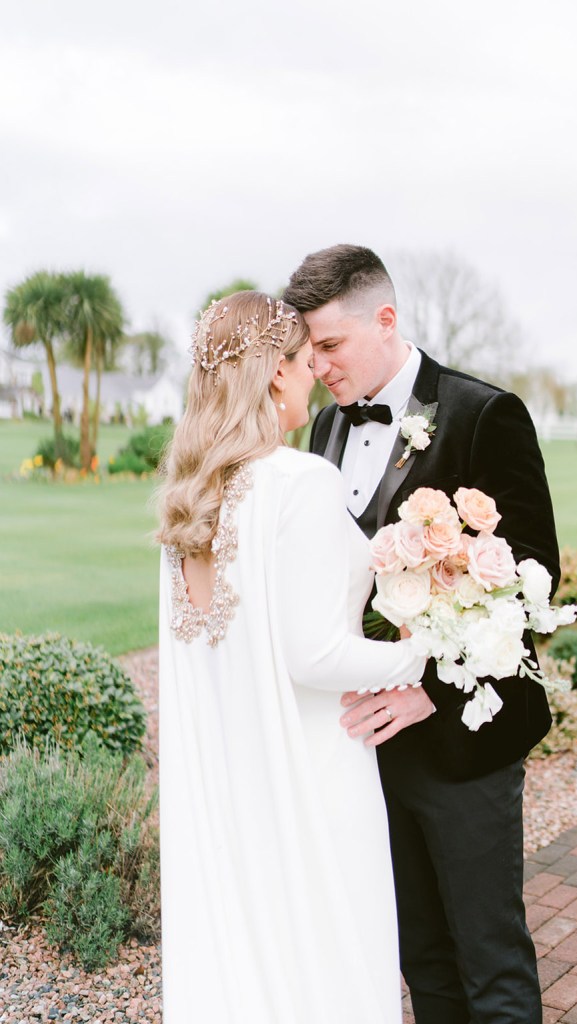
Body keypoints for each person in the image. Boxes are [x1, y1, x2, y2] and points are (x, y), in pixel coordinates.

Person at [283, 246, 561, 1024]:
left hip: (464, 741)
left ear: (386, 319)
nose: (320, 366)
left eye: (330, 346)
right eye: (309, 352)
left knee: (489, 959)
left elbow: (534, 575)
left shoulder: (483, 413)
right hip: (365, 748)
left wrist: (428, 685)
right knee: (422, 962)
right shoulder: (320, 436)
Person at [156, 290, 426, 1024]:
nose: (316, 377)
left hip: (233, 784)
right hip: (315, 773)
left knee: (253, 963)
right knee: (330, 960)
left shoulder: (192, 499)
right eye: (308, 361)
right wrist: (425, 656)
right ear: (276, 373)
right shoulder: (297, 480)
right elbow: (316, 657)